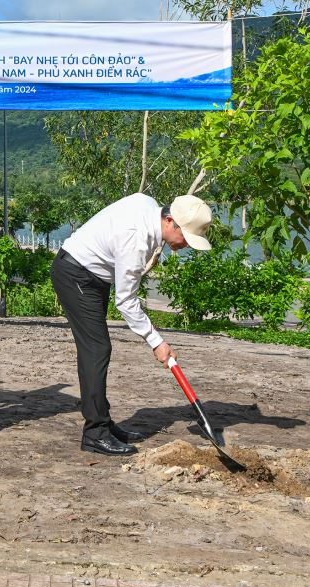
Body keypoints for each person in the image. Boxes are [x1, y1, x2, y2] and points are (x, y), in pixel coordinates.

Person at [51, 193, 213, 456]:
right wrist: (156, 341)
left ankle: (103, 422)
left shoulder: (149, 208)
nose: (187, 245)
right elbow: (125, 301)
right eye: (186, 237)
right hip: (76, 275)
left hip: (93, 276)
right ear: (170, 220)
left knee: (96, 350)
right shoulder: (136, 239)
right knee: (96, 350)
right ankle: (95, 433)